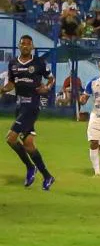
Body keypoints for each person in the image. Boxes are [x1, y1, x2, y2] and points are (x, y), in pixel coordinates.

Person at [2, 35, 56, 189]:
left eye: (28, 44)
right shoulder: (13, 64)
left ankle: (30, 167)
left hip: (32, 105)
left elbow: (51, 79)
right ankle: (47, 176)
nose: (25, 46)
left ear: (32, 47)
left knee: (11, 139)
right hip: (20, 105)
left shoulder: (39, 63)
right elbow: (11, 83)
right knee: (29, 144)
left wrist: (47, 87)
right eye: (23, 44)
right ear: (19, 46)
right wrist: (3, 89)